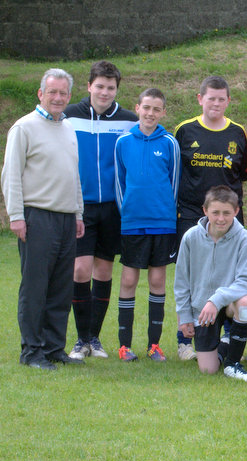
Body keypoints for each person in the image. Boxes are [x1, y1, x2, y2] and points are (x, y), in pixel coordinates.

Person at [2, 68, 85, 369]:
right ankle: (31, 352)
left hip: (65, 219)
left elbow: (73, 175)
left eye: (63, 93)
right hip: (37, 217)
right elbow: (10, 175)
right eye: (52, 92)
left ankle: (53, 348)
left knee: (61, 287)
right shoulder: (24, 128)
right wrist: (16, 216)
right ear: (41, 93)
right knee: (36, 287)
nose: (58, 97)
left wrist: (77, 212)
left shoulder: (68, 129)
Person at [64, 60, 138, 360]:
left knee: (104, 270)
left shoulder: (129, 120)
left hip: (113, 207)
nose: (105, 92)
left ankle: (94, 337)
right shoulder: (69, 116)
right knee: (80, 269)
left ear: (116, 89)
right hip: (79, 206)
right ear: (89, 86)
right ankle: (80, 339)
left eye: (111, 87)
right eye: (100, 86)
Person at [174, 76, 247, 360]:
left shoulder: (239, 132)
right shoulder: (184, 130)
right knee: (192, 275)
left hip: (226, 217)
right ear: (199, 98)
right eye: (210, 98)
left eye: (221, 98)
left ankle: (228, 333)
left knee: (229, 272)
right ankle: (185, 338)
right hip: (192, 212)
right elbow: (176, 173)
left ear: (229, 101)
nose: (215, 103)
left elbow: (242, 175)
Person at [113, 88, 180, 362]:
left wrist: (166, 214)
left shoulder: (169, 143)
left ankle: (154, 345)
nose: (150, 113)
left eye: (156, 109)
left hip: (162, 224)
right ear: (137, 107)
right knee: (128, 280)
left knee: (156, 280)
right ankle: (124, 345)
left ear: (163, 112)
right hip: (132, 223)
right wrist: (127, 212)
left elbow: (174, 184)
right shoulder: (123, 142)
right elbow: (119, 182)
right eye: (146, 107)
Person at [174, 186, 247, 381]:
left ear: (237, 211)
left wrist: (216, 299)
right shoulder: (190, 237)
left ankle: (233, 363)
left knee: (244, 302)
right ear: (205, 210)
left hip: (228, 304)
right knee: (208, 369)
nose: (221, 218)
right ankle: (226, 346)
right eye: (216, 213)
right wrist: (185, 315)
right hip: (202, 307)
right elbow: (181, 281)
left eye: (227, 213)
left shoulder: (244, 238)